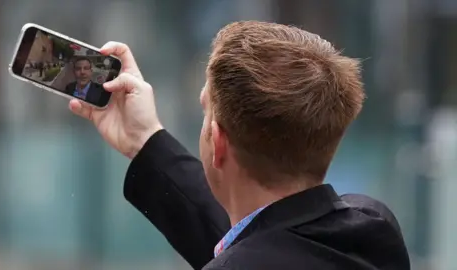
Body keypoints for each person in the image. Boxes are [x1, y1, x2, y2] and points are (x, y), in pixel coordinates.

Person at [68, 21, 410, 270]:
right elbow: (264, 243)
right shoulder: (373, 230)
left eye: (205, 109)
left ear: (217, 142)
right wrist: (145, 139)